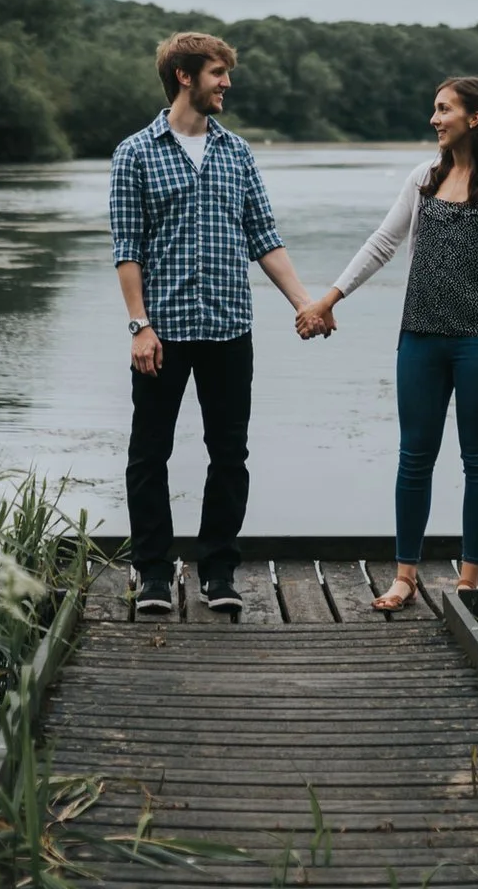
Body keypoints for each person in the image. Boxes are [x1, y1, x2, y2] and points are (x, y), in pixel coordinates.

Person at [109, 30, 328, 615]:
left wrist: (306, 303)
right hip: (163, 332)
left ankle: (218, 572)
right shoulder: (135, 152)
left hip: (230, 329)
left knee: (229, 454)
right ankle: (153, 574)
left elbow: (265, 238)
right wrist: (139, 325)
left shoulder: (237, 153)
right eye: (217, 73)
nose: (226, 82)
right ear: (185, 76)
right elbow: (127, 249)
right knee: (148, 454)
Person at [297, 76, 478, 610]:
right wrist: (329, 298)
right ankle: (405, 576)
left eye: (444, 109)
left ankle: (469, 578)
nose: (434, 119)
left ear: (474, 118)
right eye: (434, 109)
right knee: (414, 459)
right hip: (420, 339)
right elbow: (382, 243)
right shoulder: (423, 178)